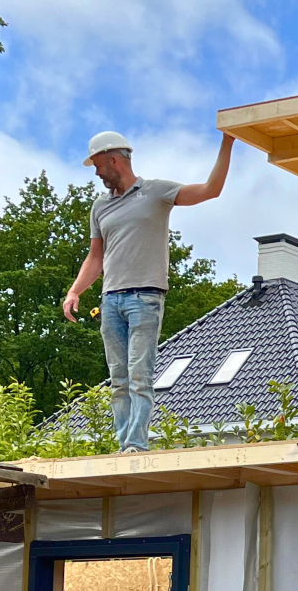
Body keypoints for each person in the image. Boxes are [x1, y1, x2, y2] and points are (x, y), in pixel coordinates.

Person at [62, 129, 235, 452]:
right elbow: (95, 256)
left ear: (114, 160)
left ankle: (136, 445)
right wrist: (75, 292)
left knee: (140, 375)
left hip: (146, 298)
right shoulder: (100, 207)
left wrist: (228, 142)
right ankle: (124, 443)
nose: (97, 173)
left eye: (99, 166)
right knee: (119, 381)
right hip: (111, 300)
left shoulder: (156, 192)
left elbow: (211, 190)